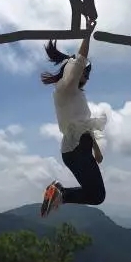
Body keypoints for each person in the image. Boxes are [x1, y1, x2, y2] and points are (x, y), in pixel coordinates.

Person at [40, 16, 107, 217]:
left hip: (78, 148)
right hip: (76, 149)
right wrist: (87, 33)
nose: (86, 78)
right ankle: (59, 192)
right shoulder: (65, 88)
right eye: (85, 74)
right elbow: (79, 61)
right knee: (97, 195)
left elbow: (84, 125)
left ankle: (59, 194)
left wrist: (96, 149)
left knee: (96, 195)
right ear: (74, 72)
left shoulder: (74, 93)